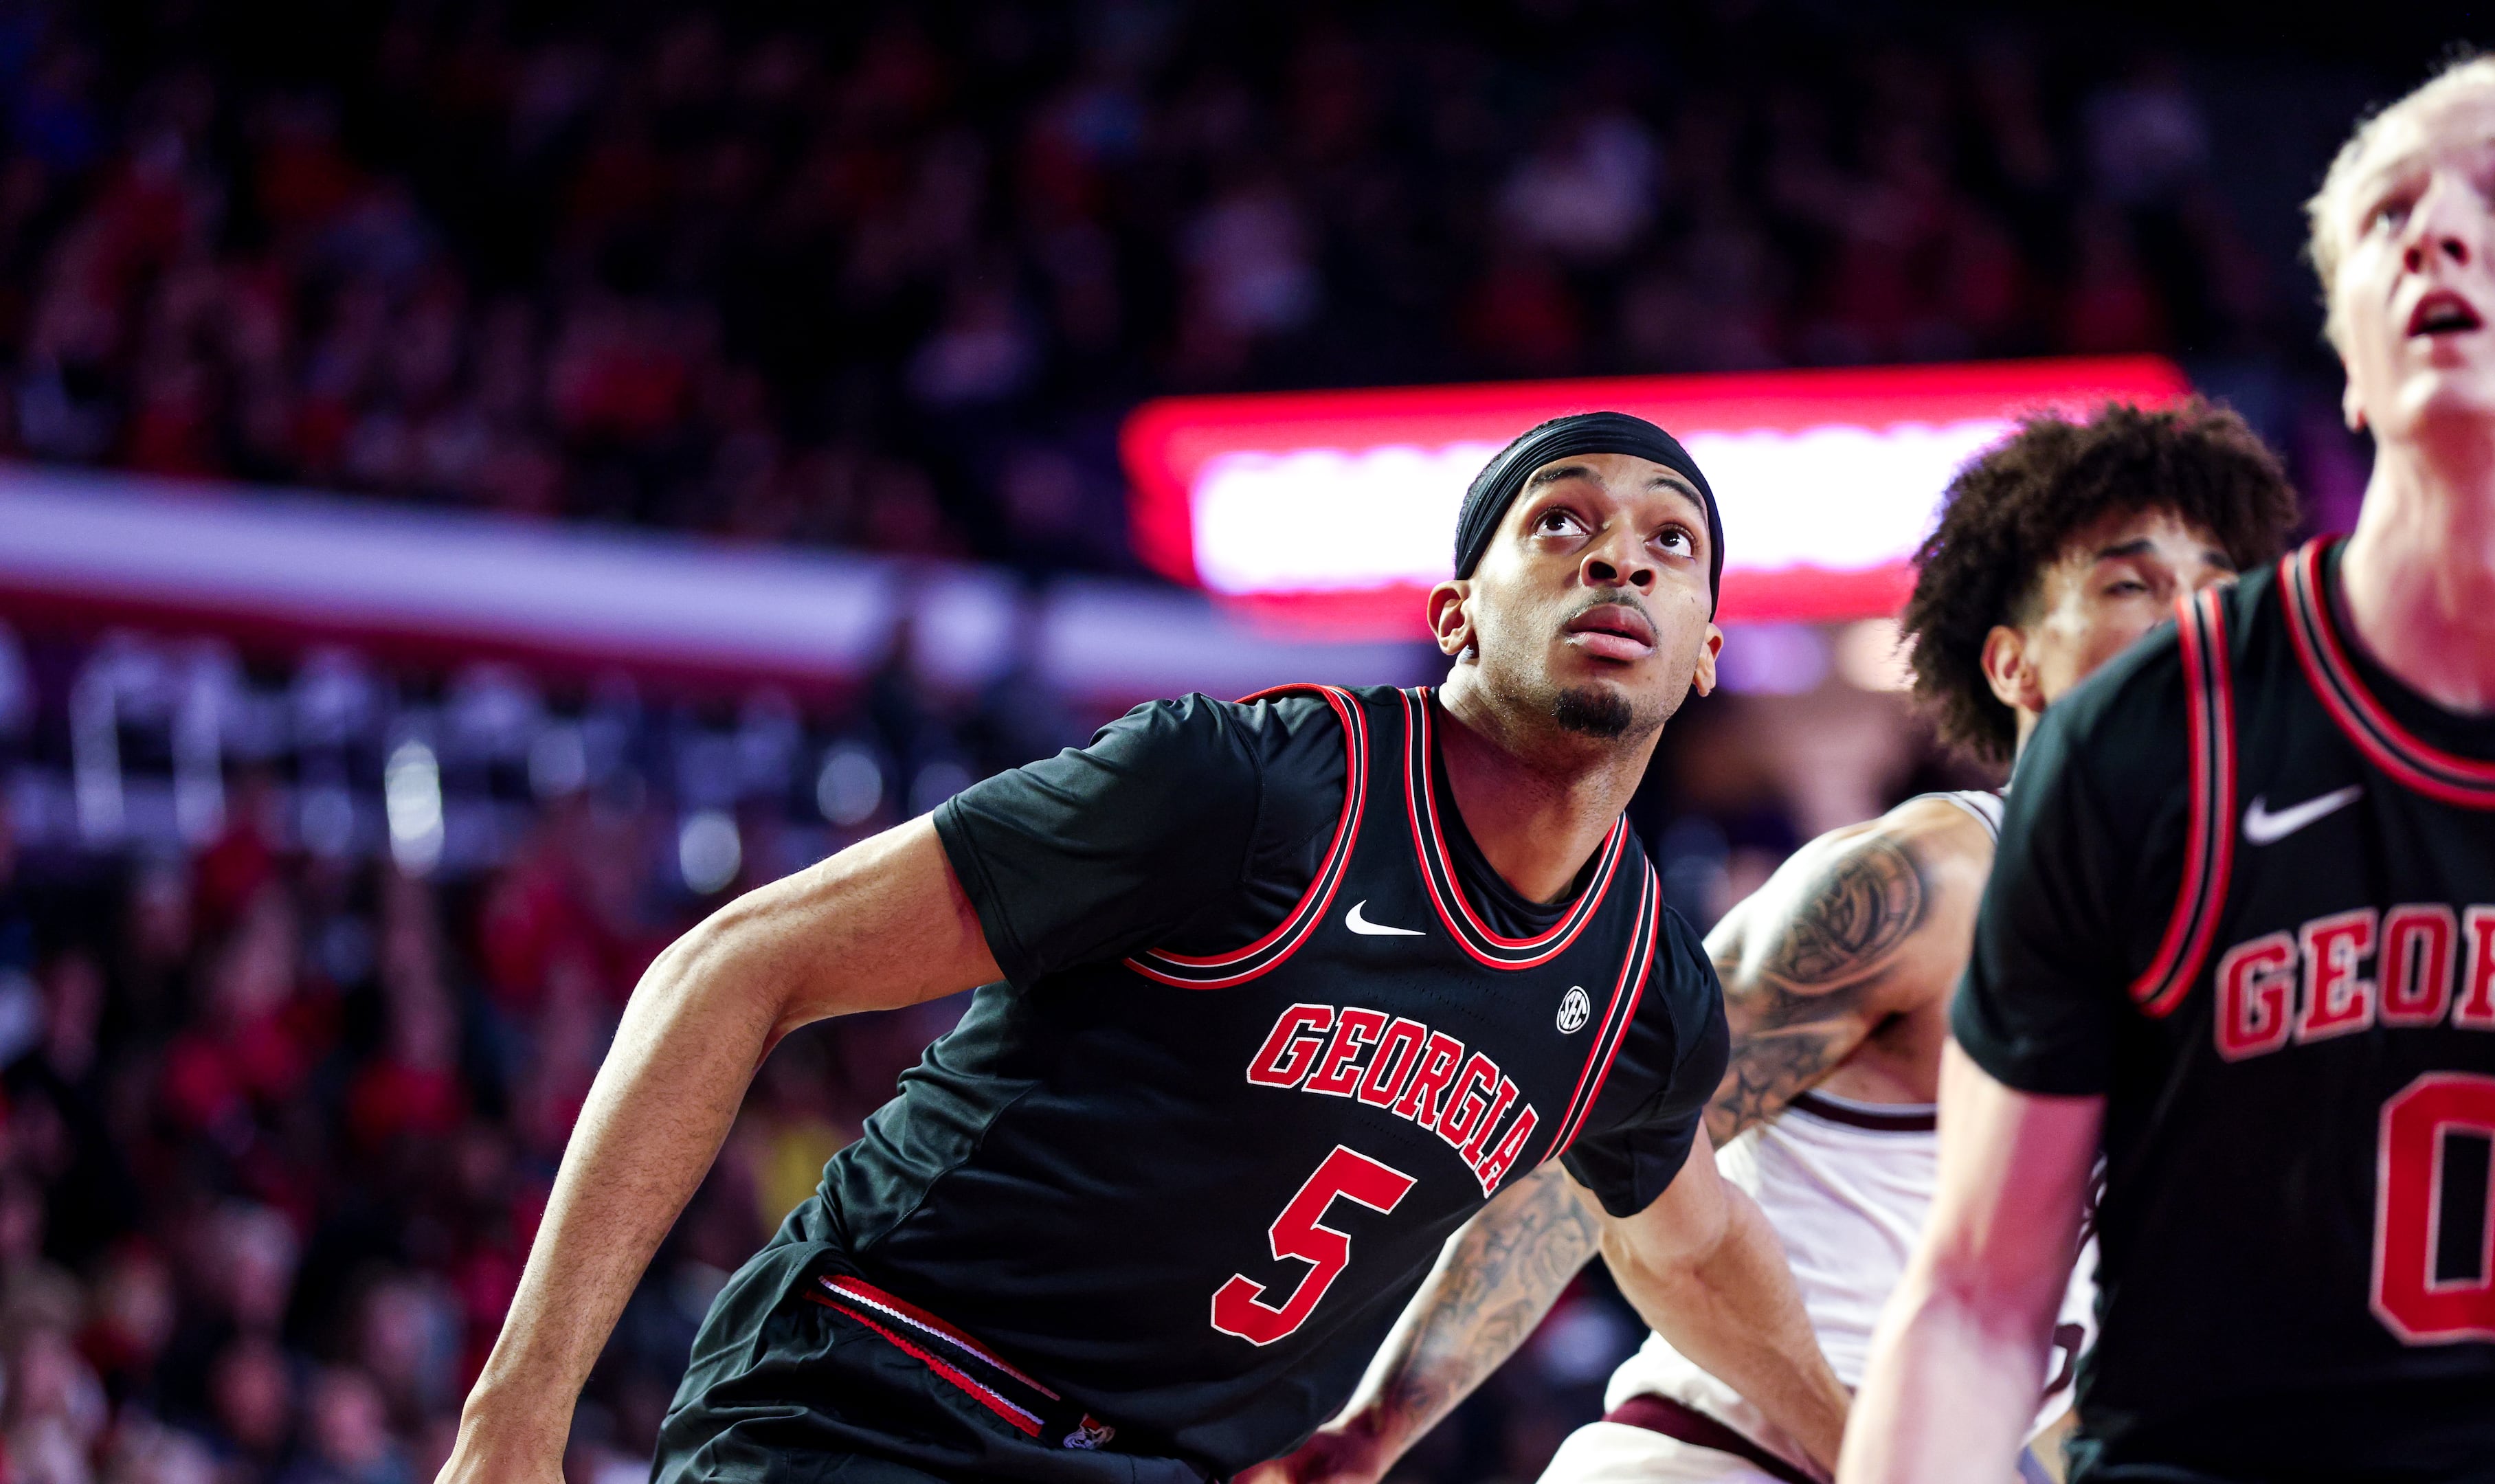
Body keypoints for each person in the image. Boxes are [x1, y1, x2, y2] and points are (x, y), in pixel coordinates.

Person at [436, 410, 1850, 1484]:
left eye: (1671, 541)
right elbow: (735, 965)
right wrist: (518, 1410)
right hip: (883, 1395)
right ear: (1455, 617)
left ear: (1707, 653)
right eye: (1560, 521)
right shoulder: (1251, 790)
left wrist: (1877, 1454)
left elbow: (1691, 1247)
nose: (1619, 555)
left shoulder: (1640, 993)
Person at [1842, 50, 2495, 1484]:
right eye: (2389, 213)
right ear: (2351, 359)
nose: (2438, 233)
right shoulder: (2151, 738)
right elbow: (1977, 1302)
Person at [1253, 404, 2296, 1484]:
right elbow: (1593, 1170)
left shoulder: (2218, 980)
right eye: (2132, 586)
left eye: (2218, 590)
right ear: (2012, 664)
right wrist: (1376, 1430)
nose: (2190, 621)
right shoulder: (1922, 886)